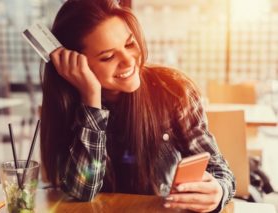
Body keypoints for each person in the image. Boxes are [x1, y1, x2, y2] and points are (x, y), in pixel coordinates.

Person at [40, 0, 235, 212]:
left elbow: (219, 171)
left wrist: (219, 190)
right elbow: (82, 191)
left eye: (129, 44)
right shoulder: (67, 104)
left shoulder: (173, 90)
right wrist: (91, 100)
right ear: (75, 65)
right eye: (108, 57)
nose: (128, 60)